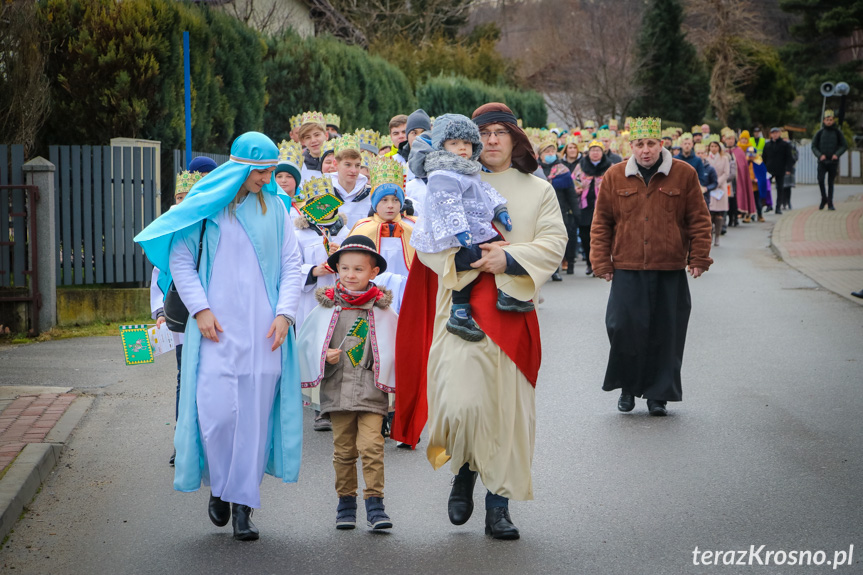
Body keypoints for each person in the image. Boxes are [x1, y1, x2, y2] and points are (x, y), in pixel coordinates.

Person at [393, 102, 568, 540]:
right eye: (482, 133)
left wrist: (508, 258)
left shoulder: (538, 190)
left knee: (506, 413)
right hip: (460, 308)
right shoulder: (448, 178)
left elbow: (554, 242)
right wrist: (469, 260)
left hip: (514, 307)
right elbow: (429, 241)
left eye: (499, 133)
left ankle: (498, 504)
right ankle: (464, 471)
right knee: (461, 404)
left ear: (514, 139)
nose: (490, 141)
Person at [134, 132, 304, 541]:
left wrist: (285, 314)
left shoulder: (277, 209)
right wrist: (201, 309)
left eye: (270, 172)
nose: (268, 180)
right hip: (215, 328)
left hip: (265, 331)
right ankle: (219, 483)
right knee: (218, 414)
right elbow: (180, 260)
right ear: (241, 167)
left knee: (254, 418)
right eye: (262, 172)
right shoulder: (208, 207)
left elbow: (292, 264)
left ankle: (242, 504)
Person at [590, 117, 713, 417]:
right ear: (630, 146)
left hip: (668, 267)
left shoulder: (684, 174)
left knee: (666, 332)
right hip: (627, 266)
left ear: (661, 144)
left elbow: (698, 218)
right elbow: (602, 222)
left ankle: (659, 395)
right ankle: (629, 388)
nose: (645, 151)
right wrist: (601, 261)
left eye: (651, 144)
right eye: (639, 144)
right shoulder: (615, 175)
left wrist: (699, 257)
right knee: (623, 329)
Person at [296, 236, 398, 531]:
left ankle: (376, 504)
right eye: (345, 269)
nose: (351, 275)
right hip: (337, 389)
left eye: (358, 269)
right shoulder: (326, 308)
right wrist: (322, 354)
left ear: (373, 272)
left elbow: (396, 347)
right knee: (343, 450)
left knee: (372, 446)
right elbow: (306, 343)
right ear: (336, 269)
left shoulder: (383, 310)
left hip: (371, 389)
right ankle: (346, 502)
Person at [408, 113, 522, 342]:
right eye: (455, 143)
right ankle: (466, 310)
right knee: (484, 257)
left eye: (467, 143)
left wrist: (500, 208)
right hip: (450, 238)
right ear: (442, 146)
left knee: (492, 255)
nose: (462, 148)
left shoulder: (466, 169)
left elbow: (485, 191)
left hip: (471, 230)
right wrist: (459, 230)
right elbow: (446, 203)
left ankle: (488, 300)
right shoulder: (443, 173)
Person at [149, 170, 202, 466]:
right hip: (180, 318)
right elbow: (159, 274)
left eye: (189, 197)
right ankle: (183, 442)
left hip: (210, 317)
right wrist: (160, 311)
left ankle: (207, 440)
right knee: (186, 377)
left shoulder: (209, 226)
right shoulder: (168, 229)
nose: (184, 202)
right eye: (180, 197)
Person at [538, 138, 578, 278]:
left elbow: (571, 193)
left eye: (552, 151)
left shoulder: (563, 171)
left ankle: (554, 270)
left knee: (555, 241)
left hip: (559, 210)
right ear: (540, 154)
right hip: (539, 211)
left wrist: (576, 211)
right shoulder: (535, 170)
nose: (550, 154)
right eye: (547, 151)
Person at [572, 140, 612, 276]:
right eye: (593, 150)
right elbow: (574, 180)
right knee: (585, 236)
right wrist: (576, 188)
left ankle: (599, 264)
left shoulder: (610, 166)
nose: (595, 153)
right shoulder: (581, 166)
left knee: (601, 236)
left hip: (602, 206)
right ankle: (590, 263)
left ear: (603, 152)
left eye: (598, 150)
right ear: (588, 153)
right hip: (585, 206)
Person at [327, 136, 372, 229]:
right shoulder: (325, 193)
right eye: (348, 165)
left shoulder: (370, 195)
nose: (354, 170)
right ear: (336, 164)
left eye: (357, 165)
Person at [811, 109, 848, 211]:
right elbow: (813, 146)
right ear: (824, 121)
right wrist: (819, 155)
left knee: (830, 182)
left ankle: (830, 203)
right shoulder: (820, 133)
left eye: (831, 119)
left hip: (833, 162)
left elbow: (844, 145)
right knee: (820, 180)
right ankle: (824, 198)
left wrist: (837, 154)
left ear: (833, 121)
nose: (829, 121)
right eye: (827, 119)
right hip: (822, 162)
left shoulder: (837, 132)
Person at [724, 129, 756, 224]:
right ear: (725, 140)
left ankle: (735, 217)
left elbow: (743, 166)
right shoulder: (723, 151)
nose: (730, 141)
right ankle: (728, 218)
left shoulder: (739, 151)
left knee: (735, 199)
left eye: (732, 138)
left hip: (737, 181)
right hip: (726, 180)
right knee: (727, 199)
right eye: (728, 139)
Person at [703, 138, 730, 246]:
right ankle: (710, 235)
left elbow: (726, 173)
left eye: (716, 146)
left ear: (719, 147)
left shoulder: (724, 158)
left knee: (719, 213)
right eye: (712, 146)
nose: (713, 148)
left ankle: (717, 236)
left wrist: (717, 182)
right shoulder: (706, 158)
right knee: (710, 212)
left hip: (720, 187)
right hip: (709, 187)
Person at [761, 127, 794, 215]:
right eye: (773, 133)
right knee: (767, 188)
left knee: (780, 188)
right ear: (771, 134)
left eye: (776, 133)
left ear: (779, 134)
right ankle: (768, 205)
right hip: (769, 169)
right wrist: (763, 169)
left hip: (780, 169)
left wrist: (788, 169)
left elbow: (789, 158)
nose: (775, 134)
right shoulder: (767, 145)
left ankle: (778, 207)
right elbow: (764, 158)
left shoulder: (785, 145)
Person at [275, 140, 305, 222]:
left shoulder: (307, 204)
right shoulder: (268, 202)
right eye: (279, 176)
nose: (283, 180)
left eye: (289, 176)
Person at [298, 111, 329, 181]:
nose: (313, 140)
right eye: (308, 137)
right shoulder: (300, 165)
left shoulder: (338, 161)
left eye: (317, 135)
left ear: (326, 135)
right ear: (303, 141)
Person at [781, 130, 798, 210]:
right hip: (782, 168)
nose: (785, 139)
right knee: (783, 187)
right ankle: (783, 202)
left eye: (785, 138)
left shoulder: (792, 146)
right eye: (783, 138)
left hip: (790, 168)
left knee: (789, 187)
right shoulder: (780, 145)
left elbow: (795, 155)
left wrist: (791, 161)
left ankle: (788, 202)